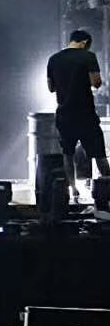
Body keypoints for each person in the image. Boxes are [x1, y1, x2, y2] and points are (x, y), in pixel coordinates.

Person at [47, 29, 110, 202]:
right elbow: (96, 83)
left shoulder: (53, 59)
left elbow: (51, 88)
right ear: (85, 43)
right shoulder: (88, 56)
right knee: (99, 154)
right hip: (85, 114)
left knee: (68, 154)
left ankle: (73, 191)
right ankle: (107, 190)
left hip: (64, 114)